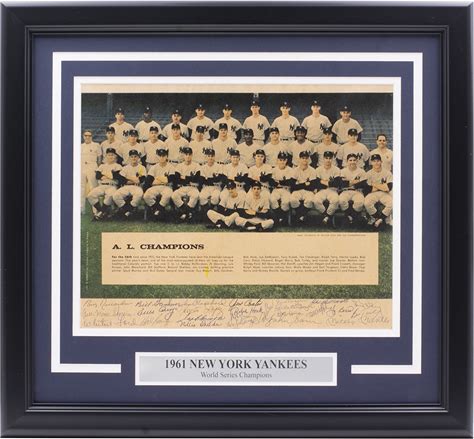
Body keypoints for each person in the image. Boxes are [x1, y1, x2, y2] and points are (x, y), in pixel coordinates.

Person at [87, 148, 122, 220]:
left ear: (115, 156)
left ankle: (100, 213)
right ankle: (103, 211)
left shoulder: (118, 166)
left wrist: (104, 175)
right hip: (102, 186)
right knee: (90, 195)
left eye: (112, 155)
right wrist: (110, 175)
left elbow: (117, 177)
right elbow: (97, 176)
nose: (110, 156)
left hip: (112, 186)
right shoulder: (102, 166)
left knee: (110, 195)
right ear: (106, 156)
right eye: (109, 155)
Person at [112, 149, 147, 218]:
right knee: (116, 195)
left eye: (135, 156)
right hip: (126, 186)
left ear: (138, 157)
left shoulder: (142, 167)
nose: (133, 158)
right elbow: (122, 180)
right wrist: (133, 179)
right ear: (129, 158)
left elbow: (140, 180)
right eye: (132, 156)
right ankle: (128, 210)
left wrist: (127, 177)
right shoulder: (125, 167)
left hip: (137, 186)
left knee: (139, 194)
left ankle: (127, 211)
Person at [143, 148, 175, 220]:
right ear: (157, 156)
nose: (162, 157)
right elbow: (149, 181)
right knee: (146, 196)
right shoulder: (154, 167)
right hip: (155, 187)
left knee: (167, 195)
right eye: (160, 156)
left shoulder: (171, 166)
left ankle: (157, 211)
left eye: (163, 156)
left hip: (167, 187)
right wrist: (163, 179)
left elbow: (170, 179)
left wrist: (157, 178)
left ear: (166, 156)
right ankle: (158, 209)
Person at [171, 147, 201, 221]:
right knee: (174, 195)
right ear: (183, 155)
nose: (188, 156)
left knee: (196, 195)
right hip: (182, 187)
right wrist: (190, 178)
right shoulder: (179, 166)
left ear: (192, 155)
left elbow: (197, 178)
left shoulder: (196, 165)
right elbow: (177, 179)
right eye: (186, 154)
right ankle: (187, 212)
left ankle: (184, 213)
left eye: (189, 154)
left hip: (192, 187)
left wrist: (184, 177)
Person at [364, 153, 393, 228]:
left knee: (392, 203)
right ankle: (377, 218)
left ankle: (380, 219)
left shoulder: (387, 173)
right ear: (371, 163)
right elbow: (367, 189)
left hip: (384, 193)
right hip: (372, 193)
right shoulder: (368, 174)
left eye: (378, 161)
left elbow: (388, 188)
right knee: (367, 203)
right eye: (374, 161)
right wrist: (382, 186)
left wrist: (373, 184)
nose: (376, 163)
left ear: (381, 161)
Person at [313, 151, 341, 226]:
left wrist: (322, 181)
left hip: (333, 190)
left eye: (330, 158)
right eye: (326, 158)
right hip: (321, 190)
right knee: (316, 200)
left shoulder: (336, 169)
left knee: (335, 200)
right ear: (323, 159)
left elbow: (337, 183)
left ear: (332, 159)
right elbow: (316, 183)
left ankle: (327, 216)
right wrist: (329, 183)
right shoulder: (318, 169)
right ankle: (327, 216)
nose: (328, 160)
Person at [339, 153, 368, 225]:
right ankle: (352, 217)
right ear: (347, 161)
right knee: (342, 200)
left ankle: (350, 216)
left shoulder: (361, 171)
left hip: (358, 191)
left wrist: (348, 182)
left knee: (359, 202)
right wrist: (356, 182)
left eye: (354, 160)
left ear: (357, 161)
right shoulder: (343, 171)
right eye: (350, 160)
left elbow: (363, 184)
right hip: (345, 191)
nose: (352, 162)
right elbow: (342, 184)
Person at [290, 151, 317, 224]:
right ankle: (301, 216)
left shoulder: (312, 170)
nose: (304, 160)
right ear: (299, 159)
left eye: (306, 158)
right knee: (292, 200)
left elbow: (312, 186)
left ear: (309, 159)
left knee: (310, 200)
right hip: (297, 191)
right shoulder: (295, 170)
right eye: (303, 158)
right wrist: (305, 184)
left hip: (308, 191)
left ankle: (299, 216)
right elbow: (292, 186)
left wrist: (299, 184)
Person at [269, 152, 295, 225]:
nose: (282, 162)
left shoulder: (290, 170)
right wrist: (283, 182)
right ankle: (281, 216)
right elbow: (271, 182)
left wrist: (279, 182)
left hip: (286, 189)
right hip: (276, 189)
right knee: (272, 199)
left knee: (286, 201)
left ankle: (280, 217)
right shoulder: (274, 170)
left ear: (286, 160)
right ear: (277, 160)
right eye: (280, 160)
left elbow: (290, 182)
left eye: (284, 160)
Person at [81, 129, 101, 214]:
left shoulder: (96, 145)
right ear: (83, 136)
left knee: (93, 188)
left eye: (89, 135)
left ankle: (96, 210)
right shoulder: (80, 146)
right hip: (82, 166)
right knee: (81, 188)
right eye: (86, 135)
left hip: (92, 166)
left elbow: (99, 158)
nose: (87, 137)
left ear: (92, 136)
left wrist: (97, 168)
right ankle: (81, 209)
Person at [199, 149, 224, 214]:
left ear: (214, 156)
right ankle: (205, 213)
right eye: (209, 156)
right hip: (206, 187)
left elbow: (218, 179)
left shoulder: (219, 166)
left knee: (215, 197)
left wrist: (207, 179)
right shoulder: (203, 167)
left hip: (216, 187)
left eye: (212, 156)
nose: (210, 158)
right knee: (202, 196)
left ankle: (211, 211)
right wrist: (213, 179)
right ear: (206, 157)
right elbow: (202, 180)